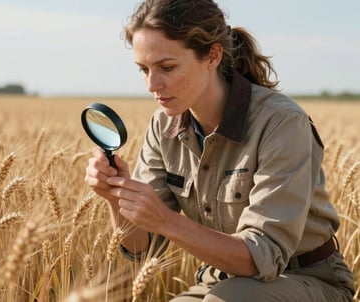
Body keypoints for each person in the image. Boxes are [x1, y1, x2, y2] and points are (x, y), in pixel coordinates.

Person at [84, 0, 355, 301]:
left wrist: (165, 219)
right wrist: (116, 198)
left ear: (212, 55)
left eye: (166, 67)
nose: (152, 84)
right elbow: (143, 249)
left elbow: (260, 256)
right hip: (221, 283)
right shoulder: (163, 128)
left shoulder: (281, 122)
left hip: (309, 280)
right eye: (143, 69)